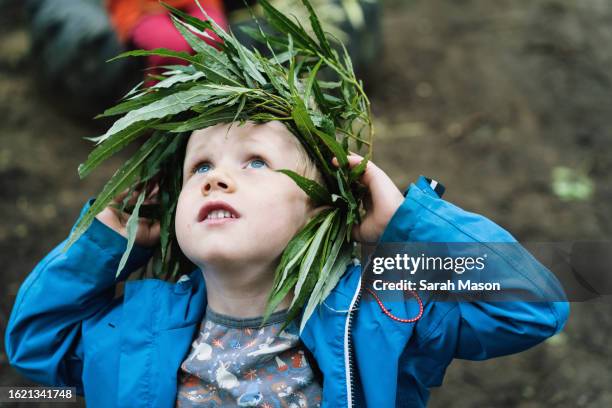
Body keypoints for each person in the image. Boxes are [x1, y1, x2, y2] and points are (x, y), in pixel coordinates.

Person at [6, 1, 569, 406]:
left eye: (255, 162)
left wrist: (405, 226)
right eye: (200, 166)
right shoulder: (133, 330)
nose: (217, 179)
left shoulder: (382, 316)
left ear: (323, 206)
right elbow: (36, 343)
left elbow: (529, 304)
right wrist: (109, 240)